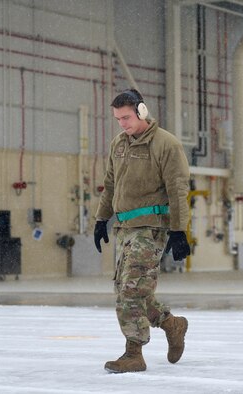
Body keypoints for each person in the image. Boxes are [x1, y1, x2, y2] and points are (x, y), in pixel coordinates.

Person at [94, 89, 191, 373]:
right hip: (125, 228)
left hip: (150, 229)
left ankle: (133, 353)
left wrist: (179, 230)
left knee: (130, 290)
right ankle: (173, 325)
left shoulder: (166, 144)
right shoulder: (119, 144)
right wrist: (102, 219)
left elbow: (177, 189)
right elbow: (110, 184)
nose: (122, 124)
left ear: (142, 111)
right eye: (117, 119)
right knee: (132, 290)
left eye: (126, 117)